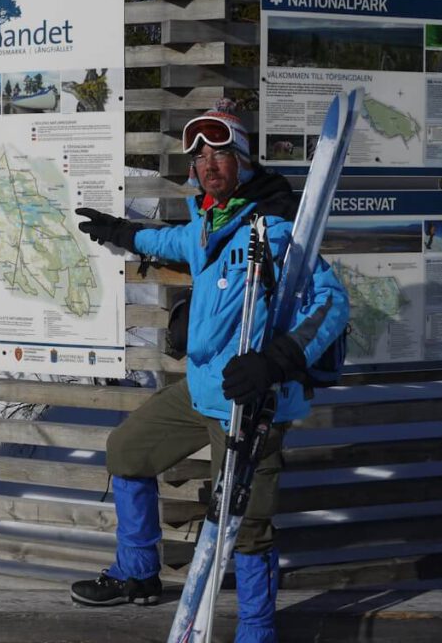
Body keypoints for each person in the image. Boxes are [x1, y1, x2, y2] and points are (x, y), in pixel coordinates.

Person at [69, 101, 349, 643]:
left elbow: (331, 306)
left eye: (220, 151)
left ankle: (256, 629)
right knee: (128, 450)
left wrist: (275, 362)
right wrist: (122, 232)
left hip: (253, 404)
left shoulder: (275, 229)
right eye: (198, 155)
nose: (208, 162)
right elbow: (171, 241)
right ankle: (137, 572)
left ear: (243, 160)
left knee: (246, 529)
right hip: (202, 392)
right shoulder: (208, 223)